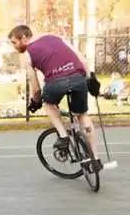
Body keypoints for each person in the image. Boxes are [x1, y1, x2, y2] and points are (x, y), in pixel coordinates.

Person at [7, 25, 116, 171]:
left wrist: (35, 101)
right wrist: (91, 79)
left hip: (55, 82)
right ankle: (96, 160)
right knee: (82, 115)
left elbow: (36, 87)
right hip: (78, 78)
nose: (14, 47)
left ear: (24, 38)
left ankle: (63, 136)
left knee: (48, 104)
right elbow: (82, 60)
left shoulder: (27, 55)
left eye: (14, 42)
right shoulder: (58, 38)